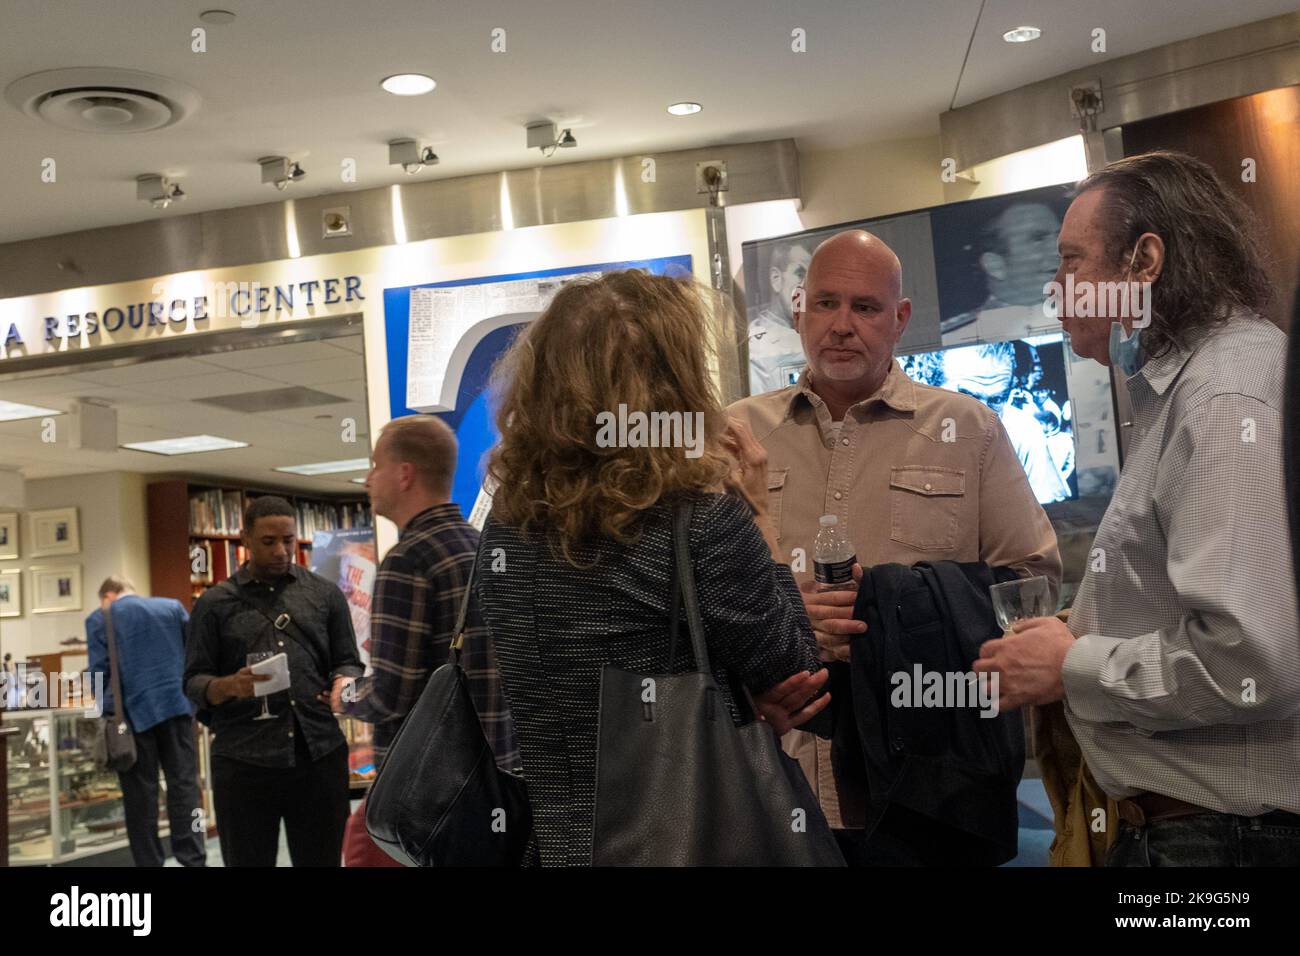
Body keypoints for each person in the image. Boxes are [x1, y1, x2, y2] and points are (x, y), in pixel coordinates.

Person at [975, 150, 1300, 866]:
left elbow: (1254, 658)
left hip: (1218, 841)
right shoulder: (1198, 386)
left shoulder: (1220, 399)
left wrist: (1073, 665)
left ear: (1144, 261)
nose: (1055, 291)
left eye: (1069, 263)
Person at [728, 229, 1062, 865]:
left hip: (930, 791)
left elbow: (1033, 585)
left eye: (866, 307)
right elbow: (691, 597)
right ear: (798, 309)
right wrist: (780, 611)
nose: (842, 326)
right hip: (774, 782)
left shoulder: (969, 429)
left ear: (900, 318)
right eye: (825, 304)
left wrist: (899, 614)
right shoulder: (737, 433)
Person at [477, 269, 832, 866]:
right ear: (673, 385)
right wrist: (762, 517)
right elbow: (794, 665)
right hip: (679, 838)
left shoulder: (505, 527)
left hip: (551, 845)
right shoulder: (700, 522)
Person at [335, 415, 520, 866]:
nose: (367, 479)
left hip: (423, 785)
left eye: (376, 465)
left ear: (404, 474)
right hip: (490, 775)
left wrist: (346, 695)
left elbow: (393, 694)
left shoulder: (408, 559)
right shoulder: (481, 545)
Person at [184, 495, 363, 867]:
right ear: (245, 539)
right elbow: (192, 681)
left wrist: (342, 683)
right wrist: (229, 685)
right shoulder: (215, 604)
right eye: (269, 542)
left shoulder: (324, 594)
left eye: (289, 540)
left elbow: (348, 661)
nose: (282, 551)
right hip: (244, 759)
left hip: (318, 752)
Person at [85, 576, 206, 868]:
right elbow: (195, 655)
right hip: (177, 708)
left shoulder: (101, 617)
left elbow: (99, 674)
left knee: (140, 798)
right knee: (186, 788)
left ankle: (148, 862)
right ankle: (194, 858)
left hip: (132, 716)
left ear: (108, 596)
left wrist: (109, 717)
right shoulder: (172, 608)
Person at [941, 201, 1063, 345]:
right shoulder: (955, 337)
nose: (1059, 250)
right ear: (995, 266)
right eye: (1038, 239)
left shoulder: (1088, 317)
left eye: (1059, 236)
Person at [749, 240, 814, 393]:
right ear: (776, 279)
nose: (806, 286)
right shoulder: (757, 346)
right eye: (800, 274)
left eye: (810, 277)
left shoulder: (815, 332)